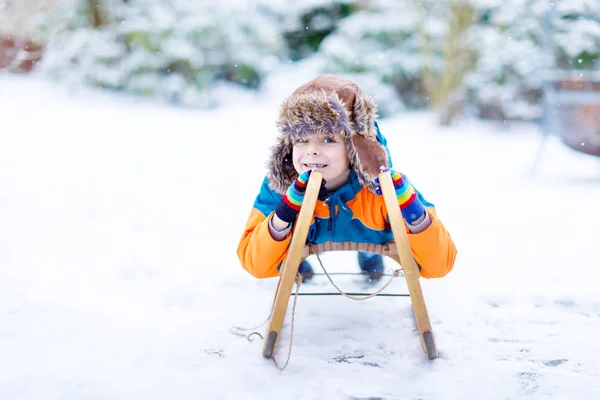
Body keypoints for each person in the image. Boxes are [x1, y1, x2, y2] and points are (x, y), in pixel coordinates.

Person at [237, 74, 456, 282]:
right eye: (301, 139)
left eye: (328, 139)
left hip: (372, 231)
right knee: (278, 249)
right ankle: (294, 257)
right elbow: (255, 264)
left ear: (356, 148)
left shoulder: (383, 189)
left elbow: (439, 265)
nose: (312, 151)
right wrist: (284, 214)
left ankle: (370, 255)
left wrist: (414, 212)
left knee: (375, 236)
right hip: (300, 237)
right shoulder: (280, 186)